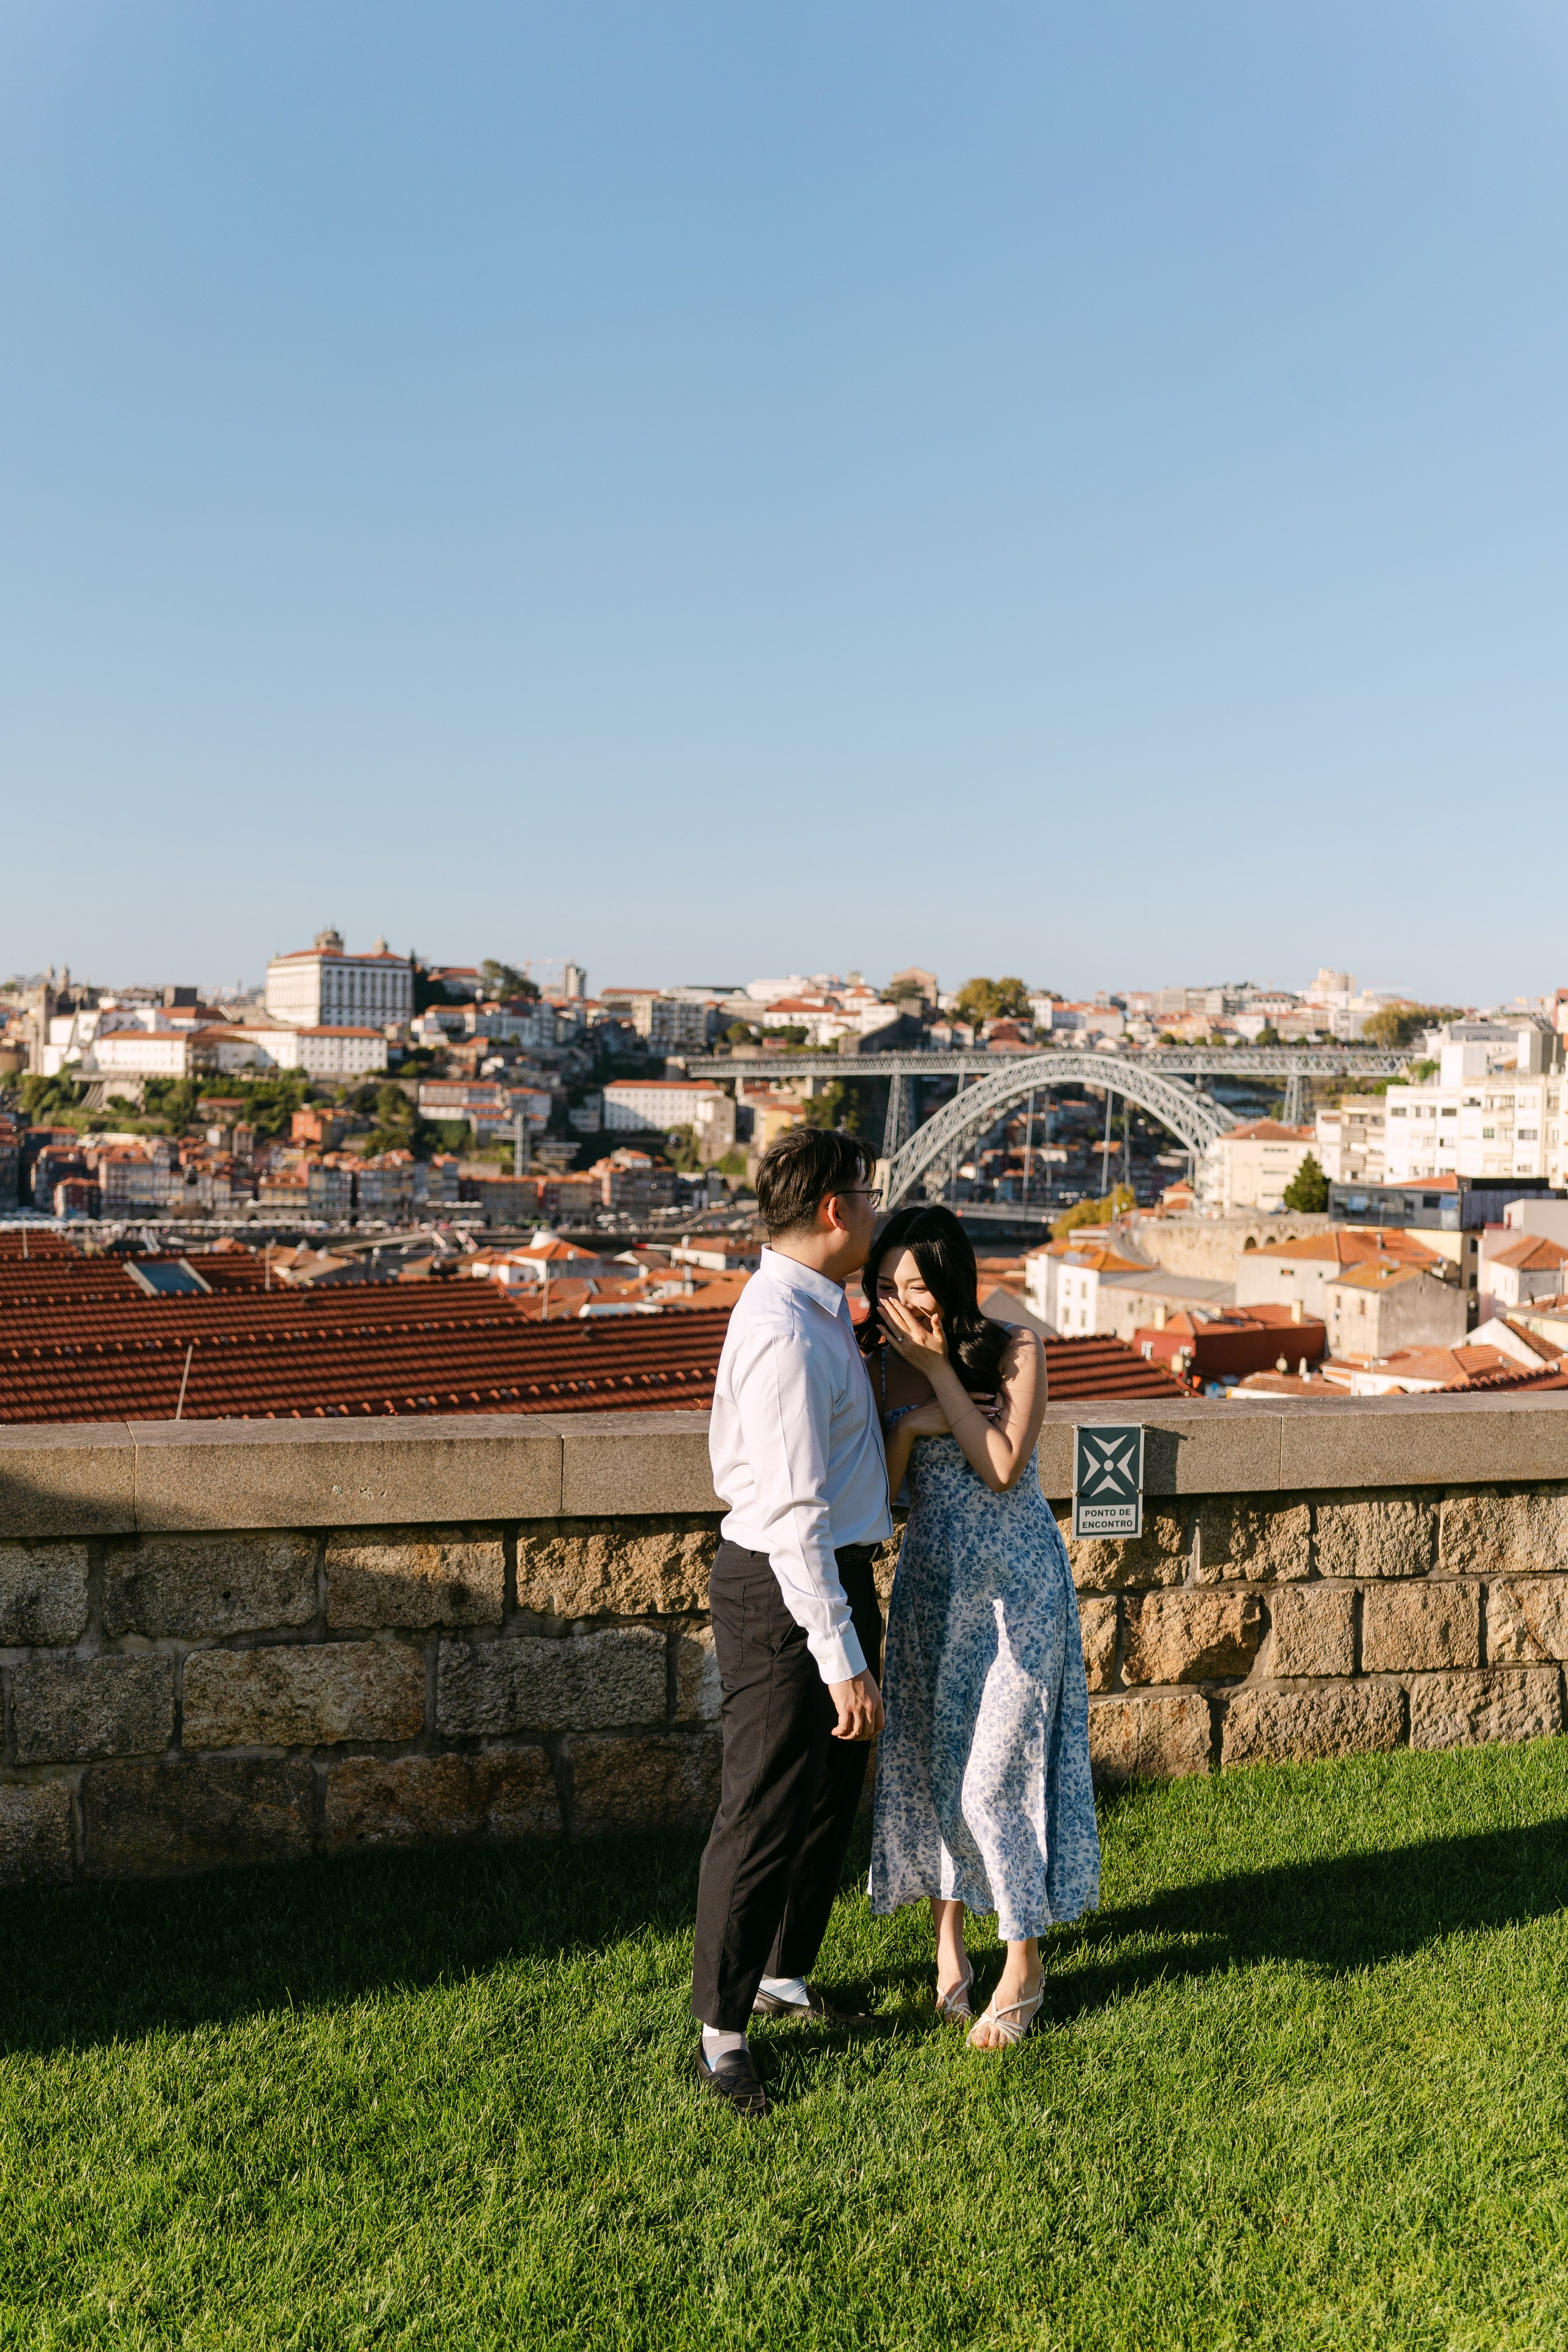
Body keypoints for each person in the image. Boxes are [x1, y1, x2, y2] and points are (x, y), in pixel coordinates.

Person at [690, 1126, 891, 2118]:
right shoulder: (782, 1330)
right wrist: (841, 1655)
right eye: (868, 1190)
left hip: (830, 1575)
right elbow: (795, 1519)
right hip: (786, 1588)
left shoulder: (822, 1308)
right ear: (832, 1210)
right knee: (764, 1805)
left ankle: (781, 1976)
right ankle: (721, 2031)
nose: (877, 1205)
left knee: (826, 1794)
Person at [865, 1204, 1099, 2049]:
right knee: (938, 1766)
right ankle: (947, 1949)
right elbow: (888, 1503)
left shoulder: (1016, 1348)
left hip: (1021, 1592)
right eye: (887, 1287)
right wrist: (907, 1421)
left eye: (918, 1286)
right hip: (934, 1590)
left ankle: (1024, 1963)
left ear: (953, 1280)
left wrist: (938, 1389)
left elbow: (1001, 1468)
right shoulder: (882, 1370)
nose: (904, 1303)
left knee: (993, 1778)